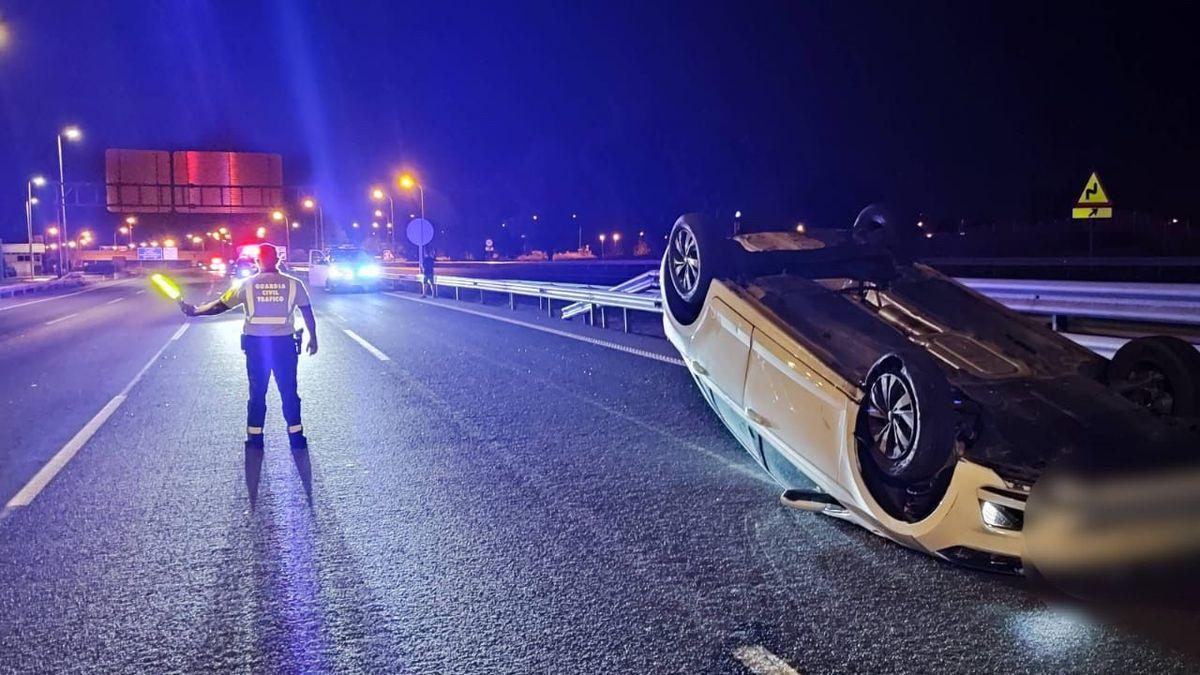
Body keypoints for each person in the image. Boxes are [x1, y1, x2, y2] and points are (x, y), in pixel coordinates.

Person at [179, 243, 318, 450]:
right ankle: (296, 437)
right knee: (289, 390)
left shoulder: (247, 284)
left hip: (257, 346)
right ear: (277, 259)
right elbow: (307, 312)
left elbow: (220, 306)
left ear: (257, 261)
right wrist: (313, 338)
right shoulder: (293, 284)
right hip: (284, 345)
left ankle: (255, 438)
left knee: (257, 392)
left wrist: (196, 311)